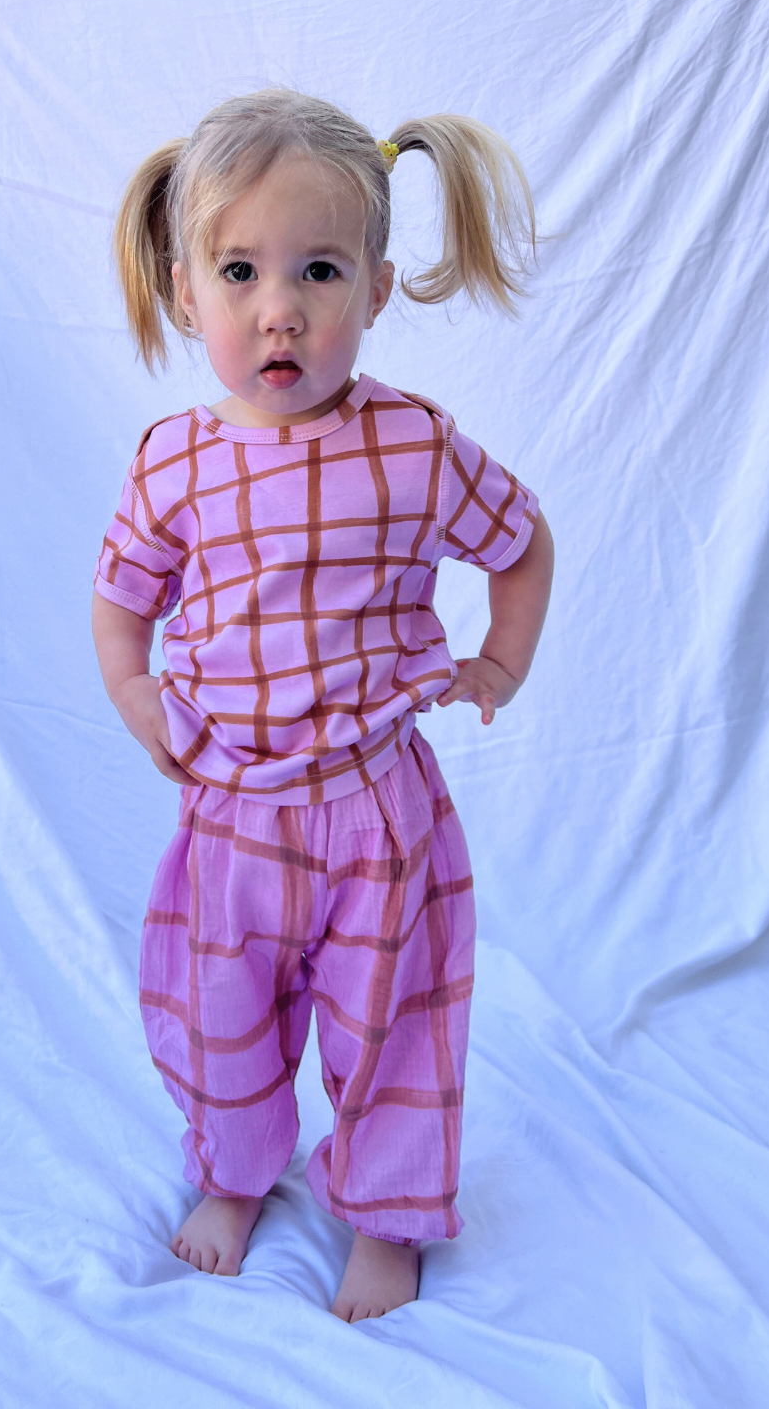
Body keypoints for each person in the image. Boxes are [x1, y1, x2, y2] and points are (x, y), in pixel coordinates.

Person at [92, 88, 554, 1323]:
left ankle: (390, 1213)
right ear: (187, 291)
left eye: (320, 269)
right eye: (239, 270)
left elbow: (520, 544)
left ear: (379, 289)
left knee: (393, 1021)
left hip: (375, 819)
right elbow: (122, 599)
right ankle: (234, 1173)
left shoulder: (412, 445)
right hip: (232, 819)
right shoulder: (173, 462)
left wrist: (497, 664)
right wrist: (137, 689)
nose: (279, 306)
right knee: (219, 1019)